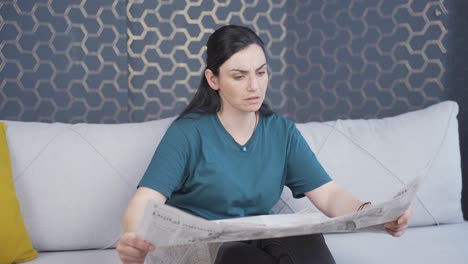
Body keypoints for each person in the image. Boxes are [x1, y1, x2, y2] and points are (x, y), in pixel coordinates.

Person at [116, 25, 412, 264]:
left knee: (304, 240)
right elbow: (145, 201)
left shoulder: (280, 132)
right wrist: (133, 238)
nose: (254, 86)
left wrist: (373, 213)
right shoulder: (187, 133)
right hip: (208, 250)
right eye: (239, 76)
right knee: (237, 256)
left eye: (261, 72)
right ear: (213, 79)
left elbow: (330, 194)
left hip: (259, 237)